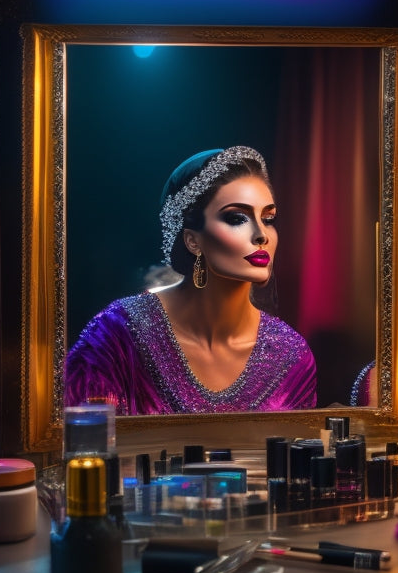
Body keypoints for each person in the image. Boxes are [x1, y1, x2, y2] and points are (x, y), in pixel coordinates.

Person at [64, 145, 317, 415]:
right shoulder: (117, 335)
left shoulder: (290, 355)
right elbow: (83, 445)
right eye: (236, 218)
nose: (261, 235)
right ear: (192, 240)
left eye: (268, 218)